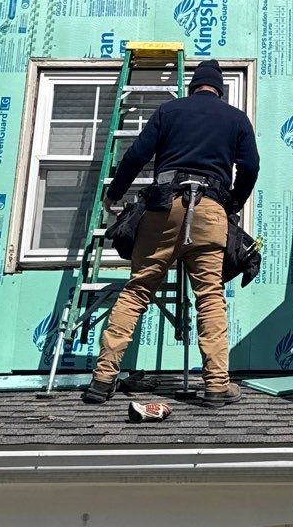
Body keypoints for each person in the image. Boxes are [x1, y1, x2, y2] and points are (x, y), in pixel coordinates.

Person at [83, 58, 259, 408]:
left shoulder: (169, 110)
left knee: (137, 291)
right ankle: (216, 385)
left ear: (193, 87)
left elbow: (136, 155)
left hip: (163, 207)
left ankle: (102, 379)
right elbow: (250, 166)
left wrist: (114, 194)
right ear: (219, 90)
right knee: (209, 297)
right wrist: (233, 202)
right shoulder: (236, 118)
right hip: (210, 209)